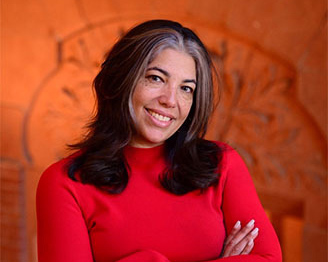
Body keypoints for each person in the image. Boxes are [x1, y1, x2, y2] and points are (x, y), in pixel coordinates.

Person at [36, 20, 282, 262]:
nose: (170, 100)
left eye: (186, 88)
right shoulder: (64, 184)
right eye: (156, 78)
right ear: (120, 80)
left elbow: (269, 258)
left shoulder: (221, 164)